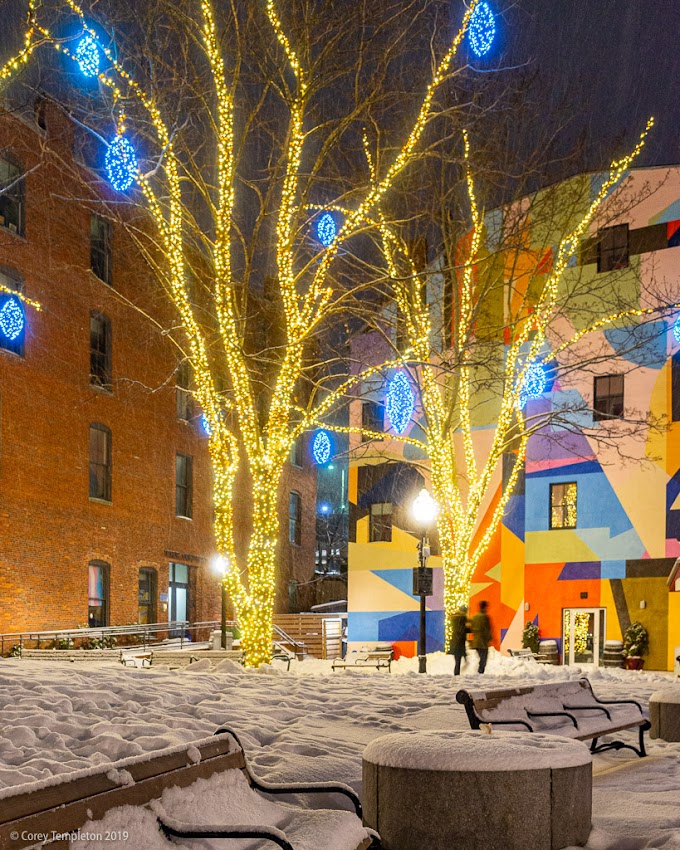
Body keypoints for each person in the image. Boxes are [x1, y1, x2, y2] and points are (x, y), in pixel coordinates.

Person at [470, 600, 492, 674]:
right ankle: (480, 673)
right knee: (483, 659)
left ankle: (479, 673)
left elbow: (471, 628)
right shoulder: (485, 617)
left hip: (476, 641)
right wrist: (489, 638)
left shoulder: (474, 617)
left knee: (481, 658)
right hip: (482, 642)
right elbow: (487, 629)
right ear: (485, 607)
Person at [449, 605, 470, 676]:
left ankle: (457, 674)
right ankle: (457, 674)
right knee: (459, 661)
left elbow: (459, 630)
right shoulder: (462, 619)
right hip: (459, 642)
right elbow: (462, 631)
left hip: (455, 641)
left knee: (457, 660)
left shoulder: (454, 618)